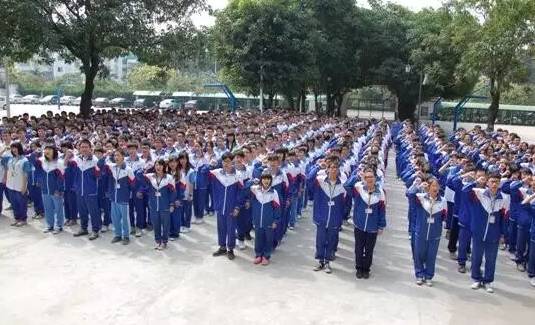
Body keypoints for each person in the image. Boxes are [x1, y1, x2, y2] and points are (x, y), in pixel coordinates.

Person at [463, 173, 509, 293]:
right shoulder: (479, 194)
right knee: (476, 257)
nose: (494, 184)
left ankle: (488, 281)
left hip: (494, 234)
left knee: (491, 259)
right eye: (492, 181)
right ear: (487, 182)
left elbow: (504, 218)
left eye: (497, 182)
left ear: (499, 184)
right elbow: (464, 191)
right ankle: (476, 278)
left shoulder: (503, 198)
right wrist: (476, 181)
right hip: (478, 231)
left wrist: (503, 234)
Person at [346, 167, 386, 279]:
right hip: (359, 224)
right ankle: (359, 268)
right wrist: (356, 176)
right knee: (358, 248)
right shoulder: (359, 188)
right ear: (364, 178)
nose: (369, 179)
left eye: (371, 177)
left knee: (369, 250)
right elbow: (346, 186)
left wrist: (381, 225)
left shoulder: (380, 193)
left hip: (372, 227)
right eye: (367, 177)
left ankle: (366, 269)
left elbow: (382, 210)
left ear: (375, 178)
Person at [407, 177, 447, 286]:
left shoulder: (443, 201)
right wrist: (418, 186)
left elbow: (444, 216)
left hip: (435, 234)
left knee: (431, 256)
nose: (435, 188)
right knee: (419, 255)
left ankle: (429, 276)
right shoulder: (420, 198)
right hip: (421, 231)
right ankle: (419, 275)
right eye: (433, 186)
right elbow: (409, 194)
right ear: (428, 187)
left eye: (437, 186)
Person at [308, 161, 347, 274]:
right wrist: (317, 167)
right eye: (332, 167)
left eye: (336, 167)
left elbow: (347, 200)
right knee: (320, 240)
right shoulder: (320, 181)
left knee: (331, 240)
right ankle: (320, 261)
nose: (334, 169)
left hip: (334, 218)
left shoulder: (343, 184)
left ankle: (328, 262)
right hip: (321, 216)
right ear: (327, 169)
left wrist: (341, 215)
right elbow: (309, 179)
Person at [65, 139, 102, 240]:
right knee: (82, 211)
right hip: (79, 190)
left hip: (91, 191)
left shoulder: (95, 160)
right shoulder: (76, 160)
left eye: (86, 147)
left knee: (93, 211)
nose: (84, 149)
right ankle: (84, 228)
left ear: (90, 148)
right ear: (79, 148)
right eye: (82, 147)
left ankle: (95, 230)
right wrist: (67, 156)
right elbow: (65, 167)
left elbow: (99, 176)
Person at [209, 152, 242, 260]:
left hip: (231, 208)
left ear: (232, 162)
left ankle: (230, 249)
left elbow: (240, 193)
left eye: (228, 161)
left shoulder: (238, 175)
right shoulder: (216, 173)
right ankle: (222, 247)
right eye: (224, 161)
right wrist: (211, 165)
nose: (226, 164)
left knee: (231, 229)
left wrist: (237, 207)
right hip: (219, 206)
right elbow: (203, 173)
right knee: (221, 228)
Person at [243, 172, 281, 265]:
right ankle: (258, 255)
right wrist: (252, 181)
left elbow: (277, 208)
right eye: (264, 179)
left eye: (268, 179)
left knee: (268, 239)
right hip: (257, 220)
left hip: (269, 221)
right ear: (261, 180)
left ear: (271, 181)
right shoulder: (256, 189)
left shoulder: (274, 192)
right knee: (258, 238)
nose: (266, 181)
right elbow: (245, 189)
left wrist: (276, 220)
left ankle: (266, 256)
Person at [101, 149, 135, 245]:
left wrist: (128, 194)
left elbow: (133, 184)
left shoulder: (128, 169)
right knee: (115, 218)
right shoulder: (111, 167)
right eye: (115, 155)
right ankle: (117, 235)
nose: (116, 157)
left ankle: (126, 236)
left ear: (123, 157)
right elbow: (101, 164)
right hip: (113, 197)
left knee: (125, 218)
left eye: (118, 155)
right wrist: (106, 154)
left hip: (123, 198)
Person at [142, 159, 176, 250]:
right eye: (157, 165)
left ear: (164, 166)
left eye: (160, 165)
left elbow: (173, 192)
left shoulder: (169, 177)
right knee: (155, 225)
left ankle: (164, 242)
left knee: (165, 225)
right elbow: (139, 177)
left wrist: (172, 204)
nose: (158, 167)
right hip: (153, 205)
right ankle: (158, 241)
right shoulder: (150, 176)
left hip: (164, 205)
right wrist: (146, 169)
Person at [31, 144, 65, 234]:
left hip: (56, 190)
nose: (47, 151)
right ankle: (50, 225)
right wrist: (39, 181)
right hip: (45, 189)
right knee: (47, 208)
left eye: (49, 149)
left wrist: (60, 190)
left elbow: (62, 178)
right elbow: (37, 171)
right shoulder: (41, 161)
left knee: (58, 209)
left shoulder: (59, 162)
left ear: (54, 151)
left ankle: (59, 226)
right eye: (46, 149)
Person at [1, 142, 32, 227]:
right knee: (14, 203)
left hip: (20, 185)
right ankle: (17, 218)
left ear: (19, 148)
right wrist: (4, 149)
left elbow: (26, 175)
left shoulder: (24, 160)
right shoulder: (10, 159)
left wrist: (24, 187)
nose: (14, 150)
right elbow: (7, 169)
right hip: (10, 185)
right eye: (12, 148)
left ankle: (23, 219)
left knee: (21, 203)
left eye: (15, 148)